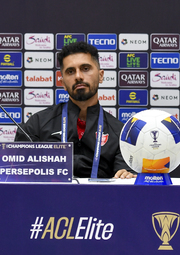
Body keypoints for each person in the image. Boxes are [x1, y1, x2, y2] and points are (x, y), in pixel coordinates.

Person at [15, 41, 136, 179]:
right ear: (63, 83)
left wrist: (126, 176)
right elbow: (18, 174)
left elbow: (124, 181)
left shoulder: (121, 133)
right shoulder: (37, 124)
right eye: (70, 71)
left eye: (85, 68)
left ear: (101, 76)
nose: (78, 76)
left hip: (100, 200)